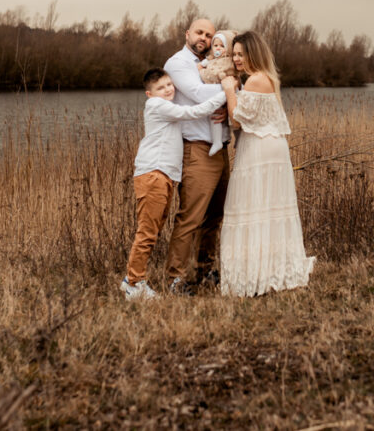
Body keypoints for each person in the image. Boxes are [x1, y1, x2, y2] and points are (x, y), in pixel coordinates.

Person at [219, 31, 314, 297]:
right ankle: (265, 267)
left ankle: (258, 274)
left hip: (262, 149)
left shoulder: (256, 80)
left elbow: (237, 119)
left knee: (254, 203)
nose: (237, 59)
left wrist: (229, 90)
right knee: (264, 204)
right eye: (234, 54)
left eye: (241, 54)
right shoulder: (264, 78)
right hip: (267, 145)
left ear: (254, 54)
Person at [120, 68, 226, 301]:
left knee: (153, 230)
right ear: (150, 94)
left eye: (169, 84)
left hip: (164, 176)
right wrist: (226, 92)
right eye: (161, 88)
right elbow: (195, 111)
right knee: (147, 232)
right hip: (153, 174)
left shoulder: (167, 107)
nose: (168, 89)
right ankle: (133, 283)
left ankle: (133, 280)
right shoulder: (158, 106)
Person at [163, 18, 230, 294]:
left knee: (215, 216)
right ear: (188, 33)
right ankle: (175, 279)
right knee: (190, 216)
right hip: (197, 149)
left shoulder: (215, 62)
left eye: (209, 35)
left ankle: (206, 270)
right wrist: (232, 89)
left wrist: (229, 105)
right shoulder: (177, 63)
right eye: (200, 32)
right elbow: (199, 94)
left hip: (221, 148)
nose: (204, 38)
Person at [198, 29, 238, 157]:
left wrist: (201, 72)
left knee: (233, 115)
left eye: (222, 46)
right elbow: (207, 63)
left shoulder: (227, 61)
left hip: (227, 92)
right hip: (220, 93)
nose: (218, 49)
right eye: (216, 45)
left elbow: (212, 76)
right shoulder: (212, 60)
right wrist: (204, 63)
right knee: (215, 116)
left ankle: (235, 138)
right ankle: (217, 141)